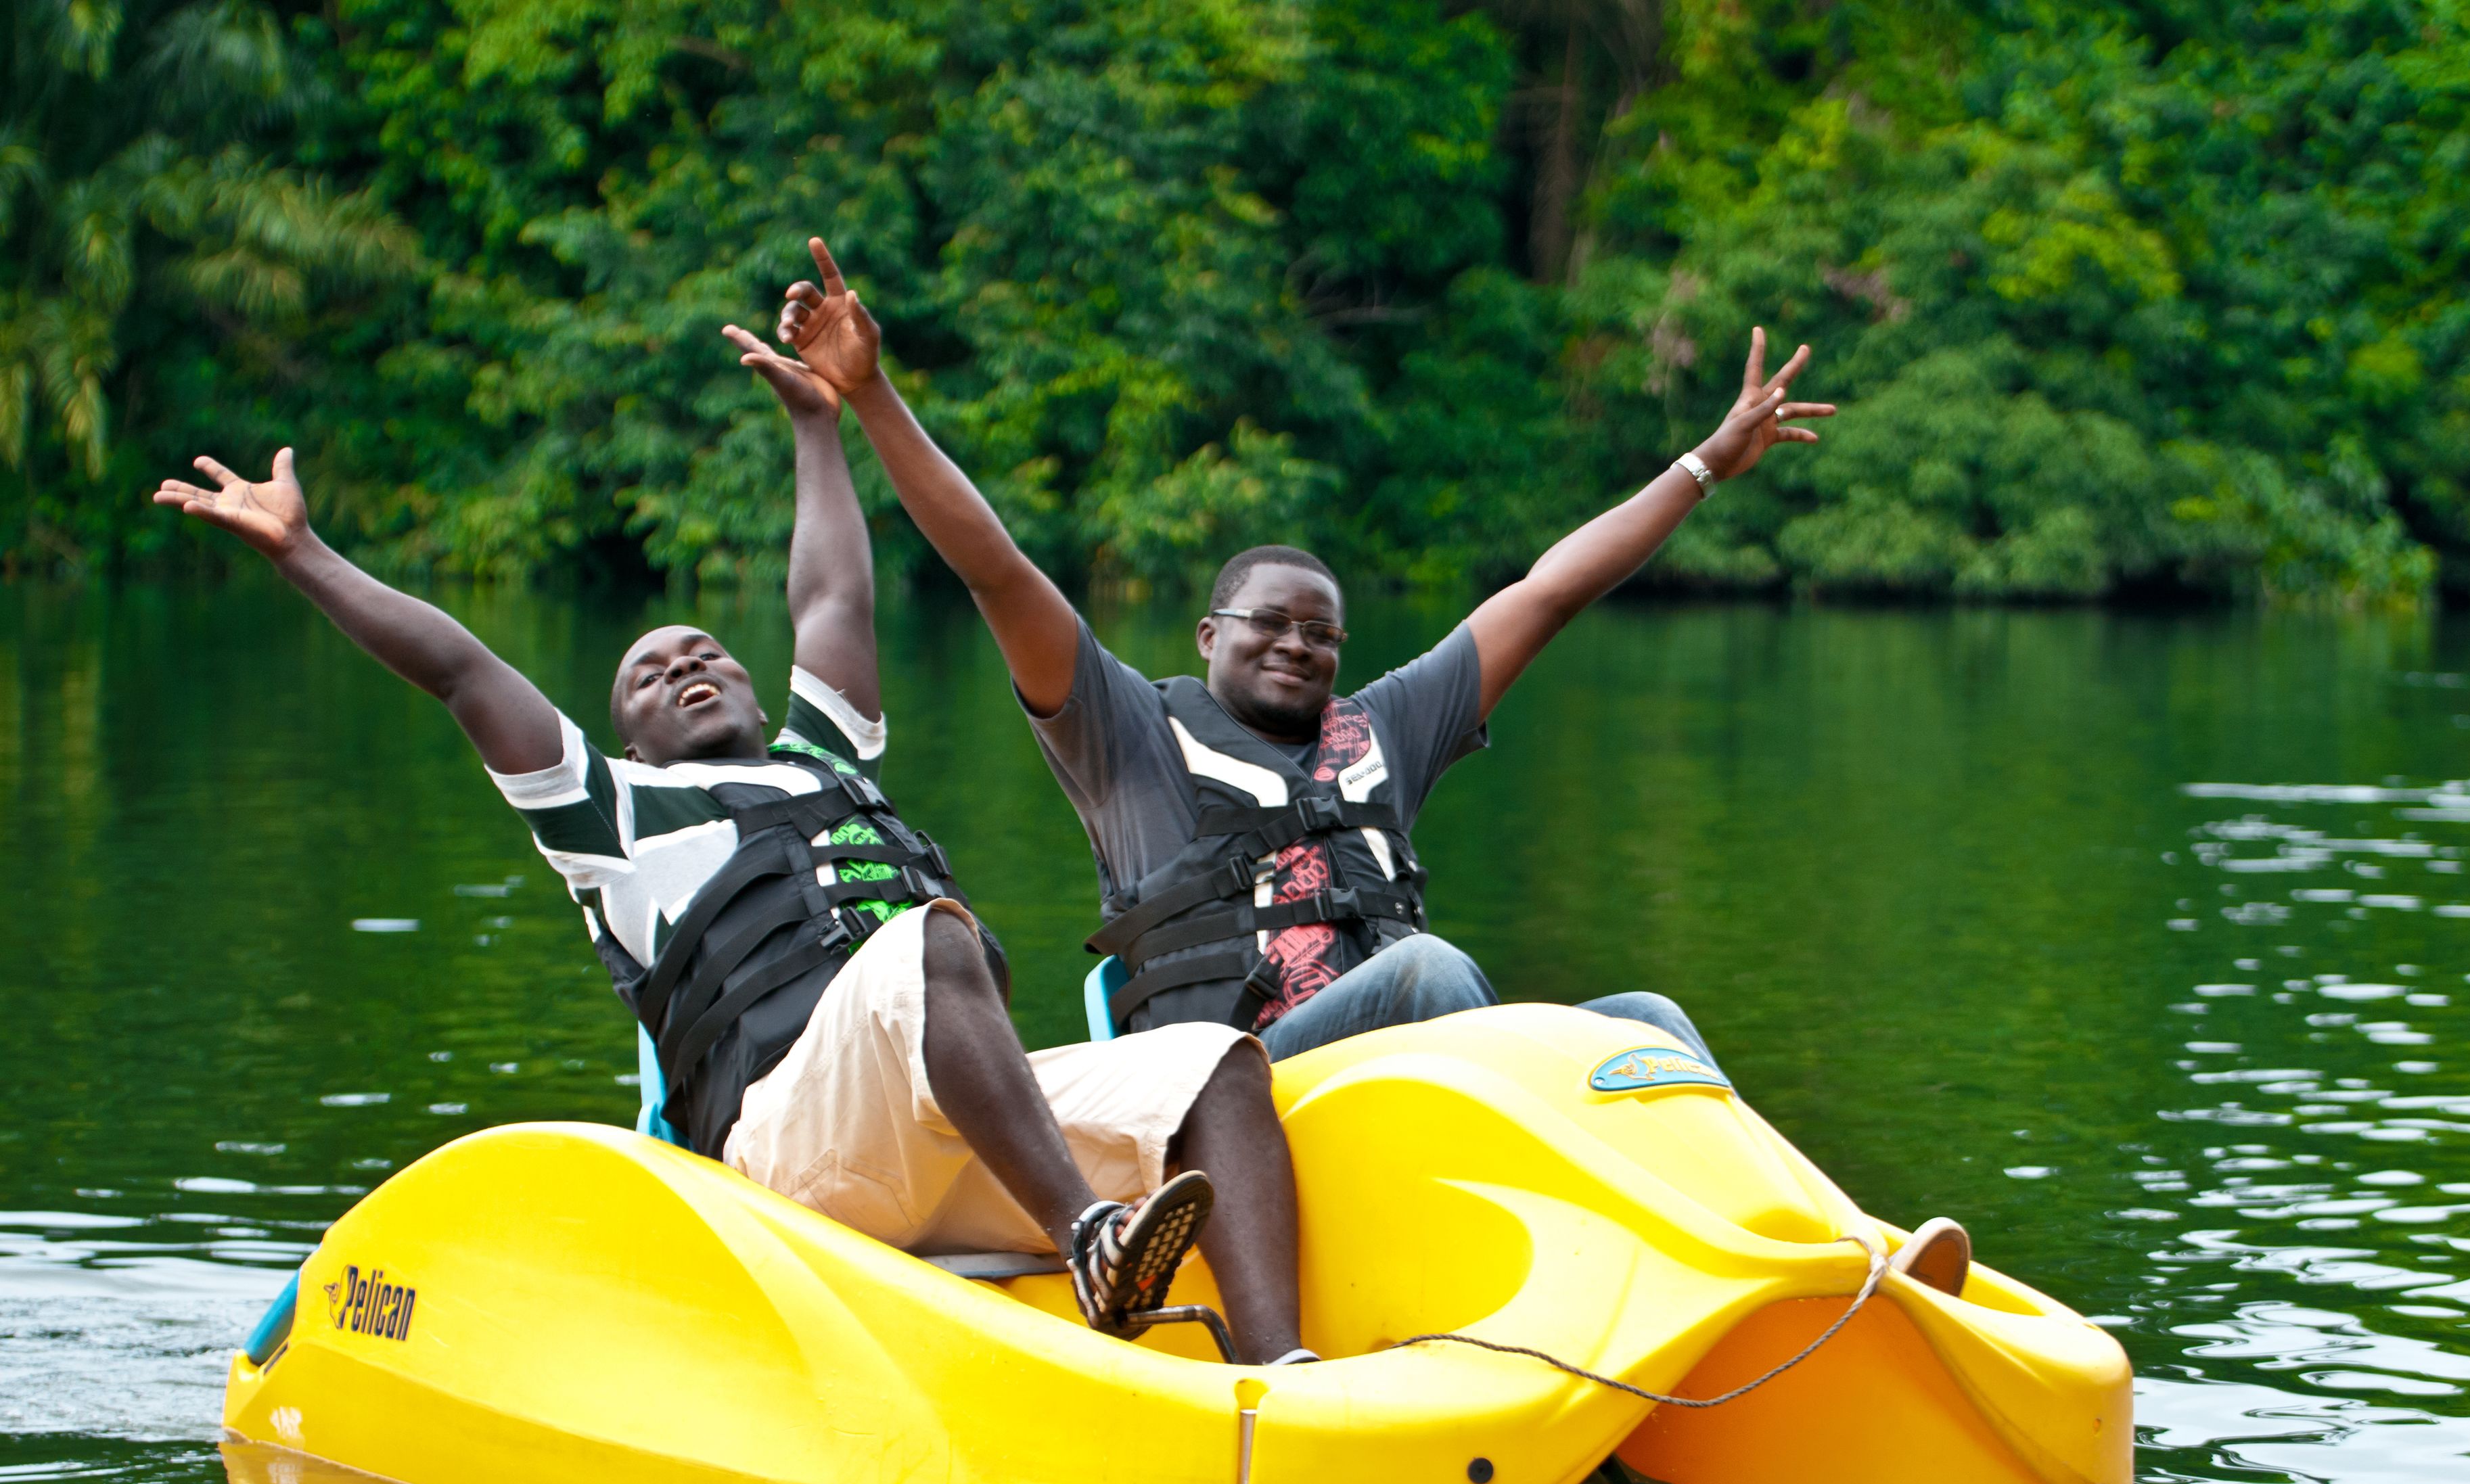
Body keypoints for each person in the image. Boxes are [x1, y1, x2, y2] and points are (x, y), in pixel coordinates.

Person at [149, 321, 1317, 1365]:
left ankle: (1281, 1377)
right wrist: (305, 555)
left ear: (754, 687)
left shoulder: (829, 759)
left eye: (704, 650)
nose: (685, 666)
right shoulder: (608, 814)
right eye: (649, 672)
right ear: (629, 734)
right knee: (928, 943)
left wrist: (819, 423)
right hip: (792, 1163)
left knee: (1214, 1059)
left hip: (963, 1139)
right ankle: (1092, 1246)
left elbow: (833, 604)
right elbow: (458, 669)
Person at [767, 241, 1835, 1057]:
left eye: (1321, 632)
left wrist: (1702, 463)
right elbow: (994, 565)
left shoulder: (1385, 728)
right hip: (1242, 1088)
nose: (1297, 644)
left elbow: (1550, 590)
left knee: (1644, 1022)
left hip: (1411, 1062)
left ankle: (1815, 1248)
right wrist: (871, 395)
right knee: (1428, 971)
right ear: (1208, 635)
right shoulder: (1126, 725)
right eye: (1270, 623)